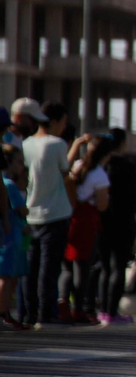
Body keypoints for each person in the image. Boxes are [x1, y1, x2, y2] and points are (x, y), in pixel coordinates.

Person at [22, 101, 79, 327]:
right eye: (63, 122)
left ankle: (29, 313)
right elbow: (66, 175)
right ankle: (47, 314)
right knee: (49, 267)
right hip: (55, 213)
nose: (64, 127)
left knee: (30, 267)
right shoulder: (56, 144)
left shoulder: (25, 144)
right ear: (54, 122)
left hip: (29, 212)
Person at [64, 135, 113, 323]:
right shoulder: (99, 174)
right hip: (87, 221)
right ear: (106, 154)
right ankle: (79, 309)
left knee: (67, 265)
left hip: (71, 216)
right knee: (83, 268)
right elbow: (102, 205)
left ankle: (62, 303)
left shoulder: (77, 165)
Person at [100, 130, 136, 325]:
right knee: (118, 267)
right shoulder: (127, 166)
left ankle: (102, 310)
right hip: (123, 222)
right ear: (122, 143)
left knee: (105, 268)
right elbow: (133, 197)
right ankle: (112, 311)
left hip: (103, 221)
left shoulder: (101, 165)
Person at [0, 144, 29, 328]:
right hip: (11, 235)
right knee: (7, 276)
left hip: (14, 234)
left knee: (11, 275)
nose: (21, 167)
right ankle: (3, 312)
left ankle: (6, 312)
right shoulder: (9, 184)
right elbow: (22, 209)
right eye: (19, 162)